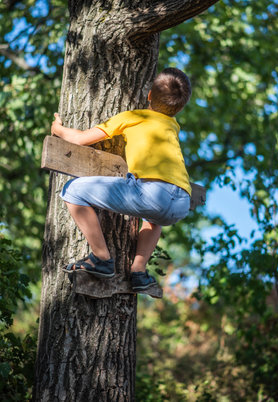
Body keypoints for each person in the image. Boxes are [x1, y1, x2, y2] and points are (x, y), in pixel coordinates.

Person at [51, 68, 192, 292]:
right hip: (181, 202)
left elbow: (80, 139)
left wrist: (58, 129)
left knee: (72, 191)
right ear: (179, 108)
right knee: (153, 217)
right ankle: (139, 271)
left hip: (154, 194)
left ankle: (101, 258)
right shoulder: (173, 126)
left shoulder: (134, 117)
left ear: (148, 95)